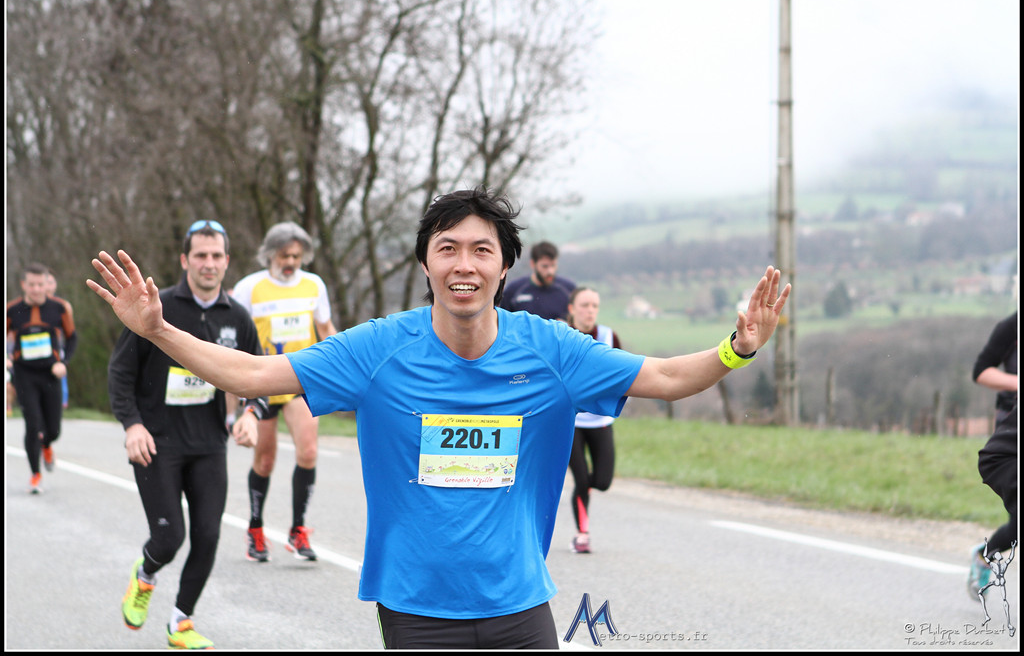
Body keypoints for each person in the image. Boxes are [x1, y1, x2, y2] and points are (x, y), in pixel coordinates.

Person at [88, 187, 790, 650]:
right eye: (447, 248)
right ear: (427, 263)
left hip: (520, 605)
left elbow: (664, 378)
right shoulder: (379, 350)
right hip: (417, 610)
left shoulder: (550, 351)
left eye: (482, 249)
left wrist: (737, 348)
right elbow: (253, 374)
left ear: (504, 267)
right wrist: (159, 331)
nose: (464, 264)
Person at [107, 219, 265, 650]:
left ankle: (181, 622)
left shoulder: (237, 317)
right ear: (184, 260)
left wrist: (252, 413)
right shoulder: (156, 308)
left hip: (209, 445)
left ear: (227, 261)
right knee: (169, 538)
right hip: (156, 443)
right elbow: (120, 373)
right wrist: (132, 424)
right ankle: (145, 575)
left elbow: (259, 375)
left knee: (209, 536)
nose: (208, 263)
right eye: (200, 255)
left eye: (216, 256)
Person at [230, 221, 338, 562]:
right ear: (269, 255)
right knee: (265, 460)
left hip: (299, 381)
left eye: (296, 256)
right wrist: (233, 401)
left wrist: (344, 368)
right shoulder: (249, 288)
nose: (290, 262)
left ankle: (298, 530)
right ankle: (256, 529)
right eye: (284, 256)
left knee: (308, 452)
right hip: (262, 383)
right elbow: (232, 338)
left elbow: (326, 329)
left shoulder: (313, 285)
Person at [6, 262, 77, 494]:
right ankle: (35, 474)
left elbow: (72, 338)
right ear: (23, 285)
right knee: (33, 424)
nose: (36, 289)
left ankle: (47, 444)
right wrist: (6, 359)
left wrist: (63, 364)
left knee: (53, 429)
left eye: (40, 284)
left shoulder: (59, 308)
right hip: (24, 374)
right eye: (32, 284)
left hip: (50, 373)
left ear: (47, 284)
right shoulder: (11, 310)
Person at [565, 286, 622, 554]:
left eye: (594, 306)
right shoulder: (561, 336)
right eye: (584, 305)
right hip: (570, 423)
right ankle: (582, 534)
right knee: (582, 480)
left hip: (600, 422)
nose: (590, 311)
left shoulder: (610, 337)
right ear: (572, 309)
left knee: (602, 481)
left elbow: (625, 375)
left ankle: (583, 488)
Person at [968, 311, 1017, 601]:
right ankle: (984, 556)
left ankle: (985, 554)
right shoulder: (1012, 326)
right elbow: (981, 371)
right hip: (1011, 432)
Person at [499, 240, 575, 320]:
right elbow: (503, 321)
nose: (550, 271)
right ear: (533, 264)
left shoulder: (568, 289)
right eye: (545, 266)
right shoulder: (513, 290)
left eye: (553, 265)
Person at [44, 268, 70, 409]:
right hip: (38, 348)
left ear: (55, 285)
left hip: (57, 347)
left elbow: (69, 331)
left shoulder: (63, 305)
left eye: (51, 282)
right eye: (45, 282)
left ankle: (61, 402)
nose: (48, 286)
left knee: (60, 375)